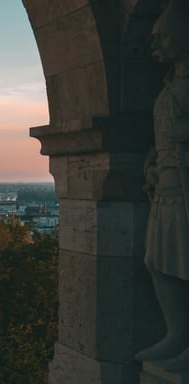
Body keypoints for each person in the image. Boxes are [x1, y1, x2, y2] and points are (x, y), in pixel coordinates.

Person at [136, 0, 189, 371]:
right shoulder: (171, 87)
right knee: (158, 262)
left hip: (182, 187)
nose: (153, 45)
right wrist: (151, 164)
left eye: (161, 37)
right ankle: (177, 334)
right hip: (166, 189)